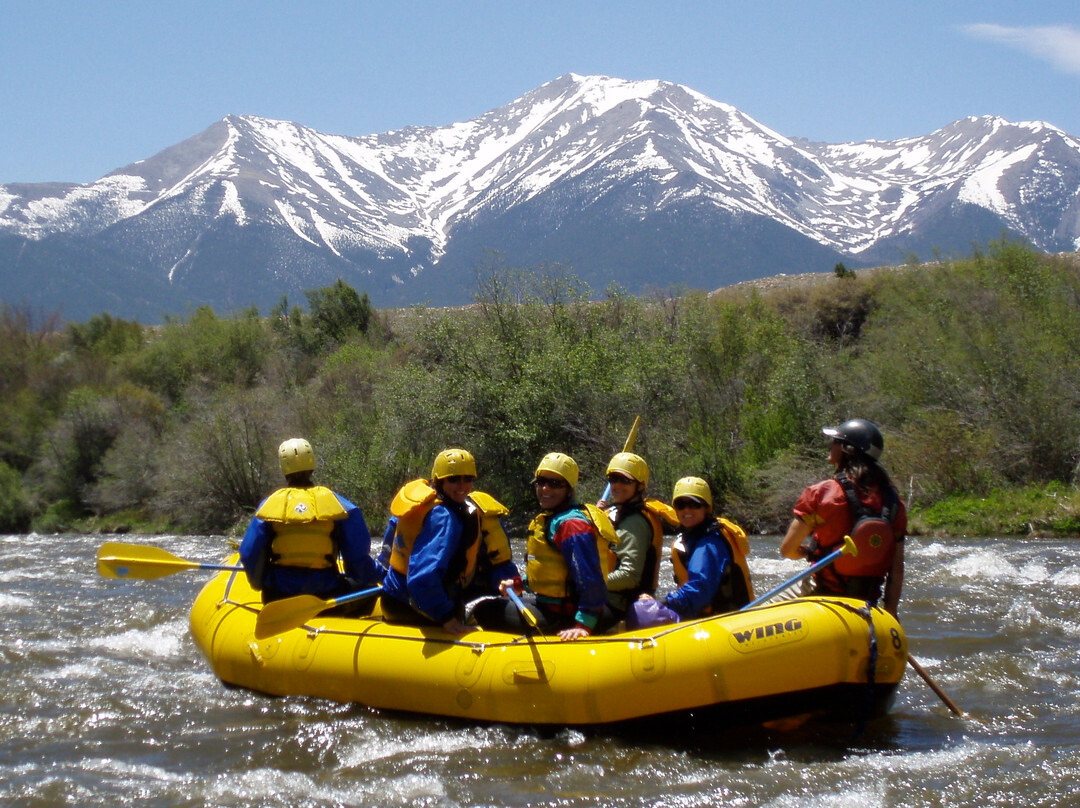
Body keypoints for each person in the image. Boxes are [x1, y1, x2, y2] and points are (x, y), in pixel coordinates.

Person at [380, 449, 519, 635]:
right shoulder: (443, 517)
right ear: (440, 481)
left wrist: (509, 581)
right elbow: (422, 577)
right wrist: (446, 617)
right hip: (412, 603)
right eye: (453, 480)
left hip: (395, 596)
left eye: (467, 479)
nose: (462, 486)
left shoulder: (455, 509)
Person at [779, 418, 906, 616]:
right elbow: (896, 570)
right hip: (868, 600)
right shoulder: (894, 502)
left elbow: (788, 550)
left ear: (848, 449)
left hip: (822, 590)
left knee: (753, 615)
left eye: (836, 441)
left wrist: (808, 552)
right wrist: (891, 613)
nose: (831, 445)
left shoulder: (820, 493)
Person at [240, 438, 380, 605]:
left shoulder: (268, 506)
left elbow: (249, 553)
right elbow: (358, 559)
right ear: (311, 465)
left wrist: (259, 583)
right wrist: (380, 576)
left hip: (277, 596)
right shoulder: (340, 505)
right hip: (326, 594)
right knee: (369, 591)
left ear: (283, 469)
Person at [499, 452, 617, 640]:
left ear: (568, 490)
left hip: (565, 615)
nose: (545, 489)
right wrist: (520, 583)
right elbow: (553, 572)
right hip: (551, 605)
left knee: (485, 611)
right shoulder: (553, 519)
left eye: (555, 484)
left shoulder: (572, 524)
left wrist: (583, 625)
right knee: (498, 603)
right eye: (541, 481)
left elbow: (590, 579)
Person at [632, 476, 753, 626]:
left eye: (694, 504)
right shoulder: (692, 538)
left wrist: (663, 604)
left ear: (706, 508)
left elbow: (699, 589)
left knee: (643, 612)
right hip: (707, 617)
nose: (687, 510)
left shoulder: (710, 542)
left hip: (728, 623)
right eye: (681, 505)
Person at [600, 452, 677, 620]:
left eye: (625, 480)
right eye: (613, 479)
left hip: (619, 605)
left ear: (640, 486)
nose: (617, 485)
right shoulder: (615, 513)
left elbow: (629, 576)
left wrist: (590, 583)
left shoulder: (634, 522)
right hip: (605, 598)